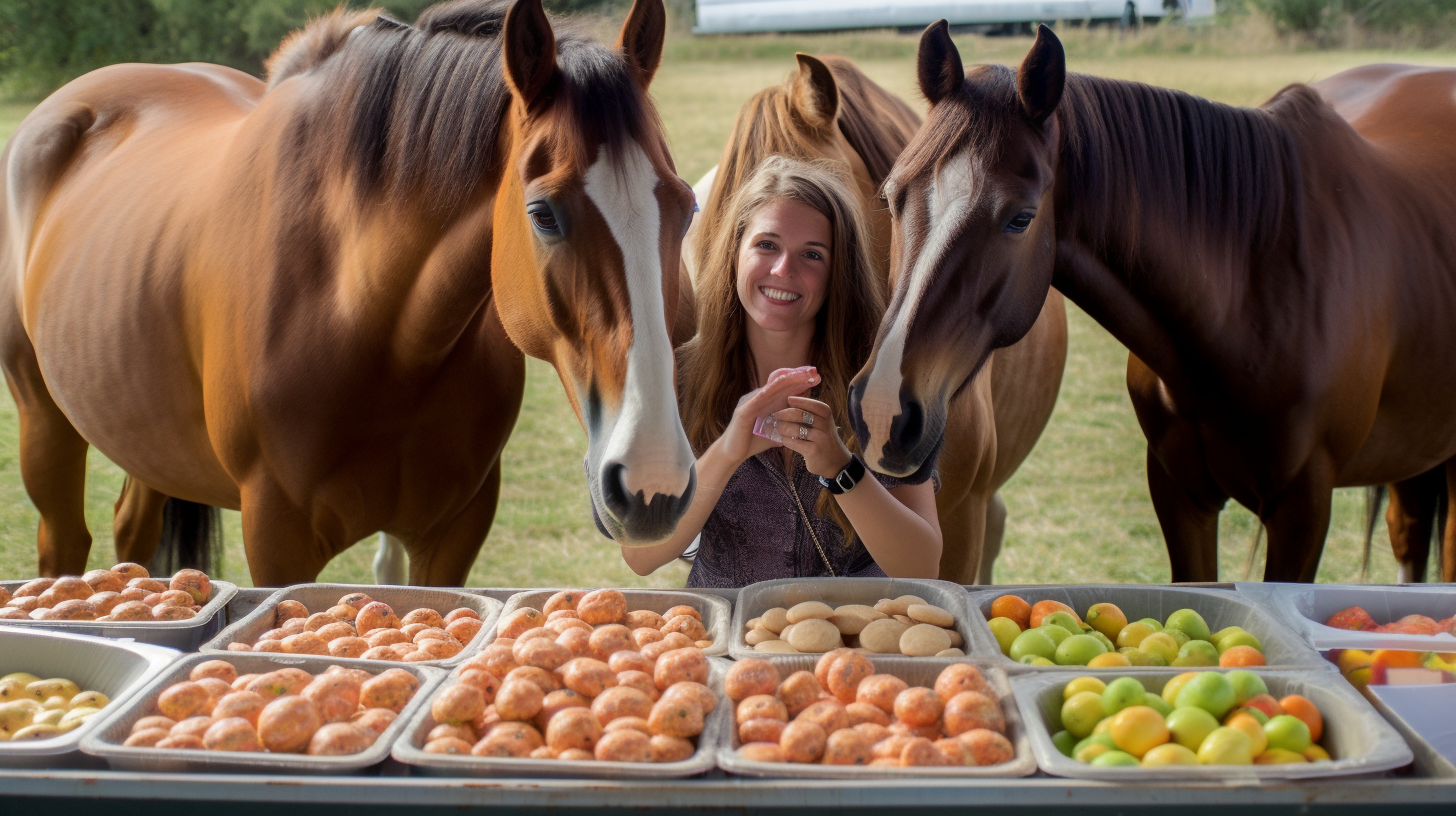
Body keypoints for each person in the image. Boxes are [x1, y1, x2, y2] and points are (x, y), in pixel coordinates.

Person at [619, 155, 942, 587]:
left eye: (812, 254)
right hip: (728, 641)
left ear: (837, 274)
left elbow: (923, 566)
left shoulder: (889, 389)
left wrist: (839, 467)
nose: (783, 270)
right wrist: (727, 452)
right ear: (735, 252)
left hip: (859, 639)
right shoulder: (675, 381)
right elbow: (640, 554)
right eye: (766, 245)